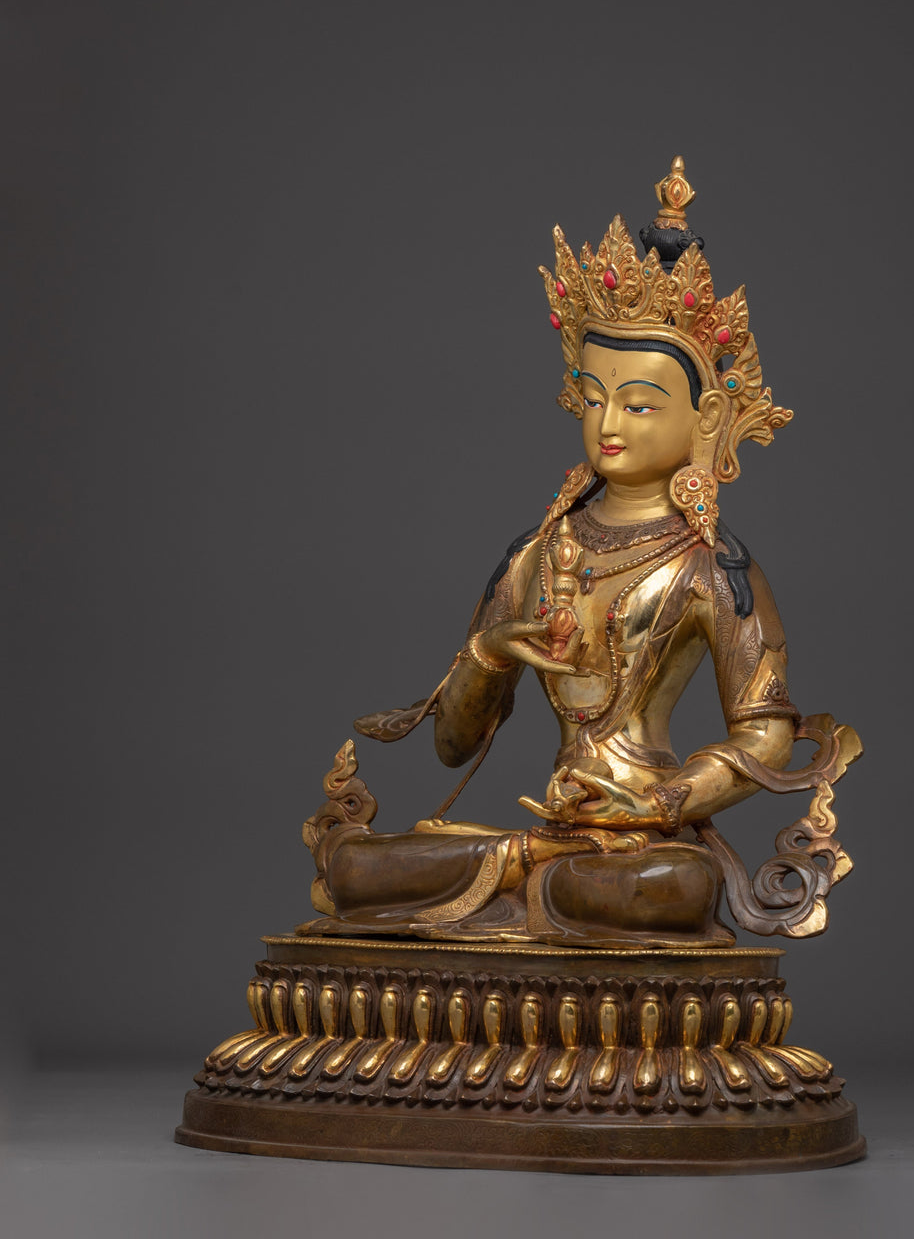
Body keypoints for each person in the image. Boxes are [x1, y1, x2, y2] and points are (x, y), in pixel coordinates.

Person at [301, 159, 860, 948]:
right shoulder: (537, 552)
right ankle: (531, 879)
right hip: (546, 833)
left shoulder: (712, 568)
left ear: (706, 420)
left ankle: (533, 886)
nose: (610, 425)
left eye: (640, 404)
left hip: (642, 840)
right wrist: (491, 653)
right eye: (593, 398)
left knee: (669, 887)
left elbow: (765, 735)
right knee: (359, 870)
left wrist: (663, 801)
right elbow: (453, 746)